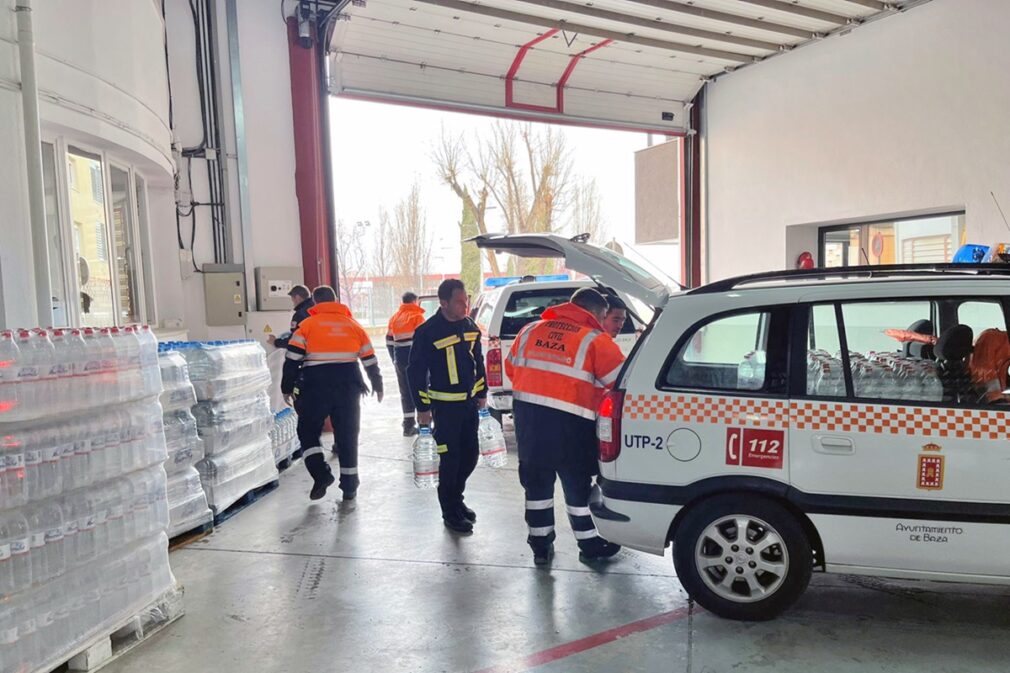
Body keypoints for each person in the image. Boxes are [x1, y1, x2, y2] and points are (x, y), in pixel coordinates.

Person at [505, 287, 625, 566]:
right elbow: (620, 383)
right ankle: (589, 544)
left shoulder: (530, 330)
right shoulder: (595, 339)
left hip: (529, 423)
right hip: (572, 426)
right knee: (576, 489)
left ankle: (540, 546)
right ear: (597, 313)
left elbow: (512, 370)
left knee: (536, 488)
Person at [281, 285, 383, 501]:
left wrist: (286, 388)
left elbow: (291, 360)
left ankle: (321, 475)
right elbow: (370, 359)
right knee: (347, 435)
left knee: (308, 431)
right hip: (349, 385)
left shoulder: (306, 325)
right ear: (335, 301)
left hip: (315, 386)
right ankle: (349, 486)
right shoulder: (353, 326)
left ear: (316, 303)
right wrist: (377, 383)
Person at [407, 279, 487, 534]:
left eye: (467, 300)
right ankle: (449, 510)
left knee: (470, 457)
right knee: (450, 460)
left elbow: (479, 360)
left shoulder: (470, 325)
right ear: (443, 303)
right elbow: (415, 372)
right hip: (444, 409)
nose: (466, 306)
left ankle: (457, 499)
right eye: (460, 302)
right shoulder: (427, 332)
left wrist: (482, 391)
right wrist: (422, 407)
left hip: (469, 406)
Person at [386, 292, 426, 436]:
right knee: (421, 389)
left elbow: (389, 341)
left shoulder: (394, 318)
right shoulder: (417, 317)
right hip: (415, 358)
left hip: (400, 357)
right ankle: (424, 424)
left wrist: (394, 359)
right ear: (415, 301)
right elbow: (424, 340)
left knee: (405, 392)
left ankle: (408, 426)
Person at [269, 285, 314, 349]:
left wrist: (275, 342)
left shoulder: (300, 314)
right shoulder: (315, 309)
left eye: (292, 299)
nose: (293, 303)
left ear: (297, 297)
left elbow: (293, 340)